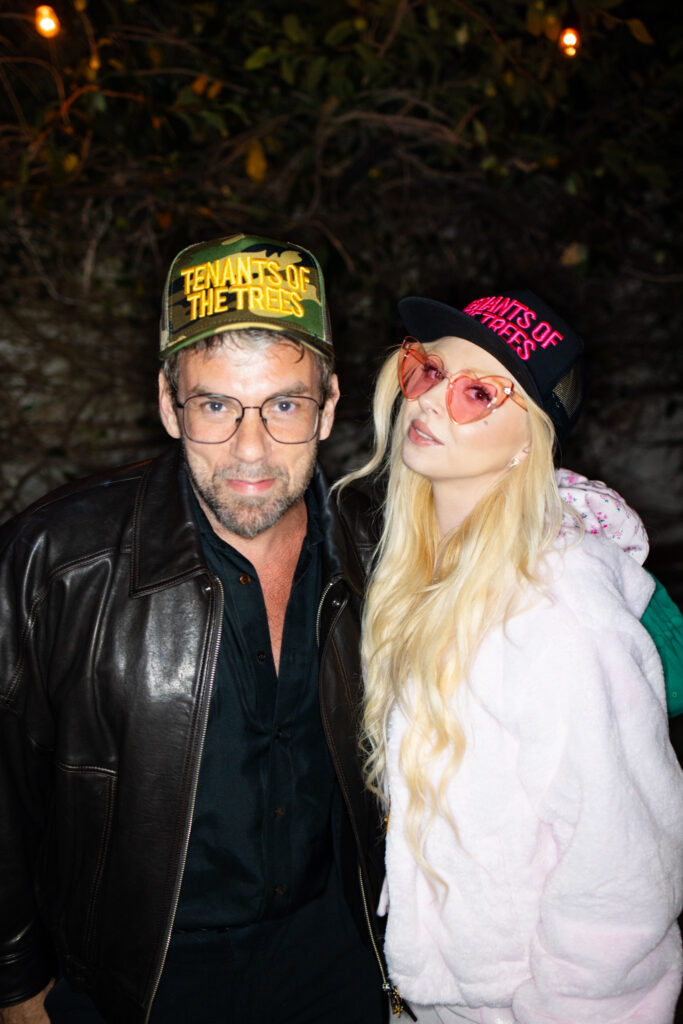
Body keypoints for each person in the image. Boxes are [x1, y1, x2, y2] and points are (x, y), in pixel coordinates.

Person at [0, 234, 392, 1024]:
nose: (250, 450)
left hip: (334, 961)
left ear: (329, 407)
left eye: (284, 405)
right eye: (215, 405)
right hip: (134, 985)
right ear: (167, 404)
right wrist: (15, 983)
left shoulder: (379, 553)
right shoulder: (58, 561)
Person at [340, 290, 683, 1022]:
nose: (428, 402)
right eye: (429, 371)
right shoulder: (423, 574)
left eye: (475, 394)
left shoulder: (556, 606)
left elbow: (620, 872)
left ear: (529, 440)